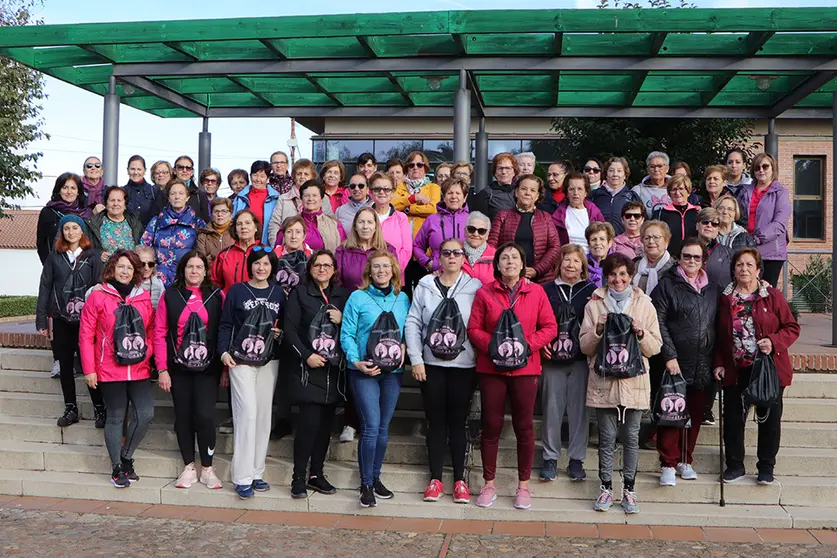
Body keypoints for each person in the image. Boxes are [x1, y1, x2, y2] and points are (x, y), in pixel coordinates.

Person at [468, 243, 557, 510]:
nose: (509, 262)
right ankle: (489, 482)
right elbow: (474, 328)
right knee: (491, 426)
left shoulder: (536, 291)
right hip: (492, 368)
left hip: (525, 368)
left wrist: (527, 345)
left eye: (514, 258)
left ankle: (523, 485)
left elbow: (550, 326)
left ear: (522, 264)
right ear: (496, 264)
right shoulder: (485, 293)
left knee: (524, 427)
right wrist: (493, 345)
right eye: (504, 258)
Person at [579, 253, 662, 514]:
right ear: (606, 276)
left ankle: (629, 489)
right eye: (613, 274)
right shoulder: (594, 304)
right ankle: (605, 488)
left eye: (624, 274)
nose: (618, 279)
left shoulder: (644, 304)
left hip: (635, 380)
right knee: (606, 438)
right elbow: (584, 346)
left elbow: (655, 347)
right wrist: (598, 330)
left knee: (631, 438)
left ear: (631, 275)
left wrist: (640, 333)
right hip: (604, 380)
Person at [714, 248, 800, 485]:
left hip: (768, 368)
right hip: (735, 368)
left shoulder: (771, 296)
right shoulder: (725, 298)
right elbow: (719, 336)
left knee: (769, 419)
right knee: (733, 418)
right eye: (740, 265)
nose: (744, 269)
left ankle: (766, 467)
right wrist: (719, 362)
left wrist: (773, 342)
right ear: (733, 270)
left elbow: (792, 327)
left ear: (758, 270)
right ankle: (734, 465)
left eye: (749, 265)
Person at [406, 239, 482, 504]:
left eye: (456, 253)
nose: (451, 257)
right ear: (439, 256)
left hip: (463, 366)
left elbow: (480, 322)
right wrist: (416, 358)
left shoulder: (474, 287)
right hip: (432, 366)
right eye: (446, 252)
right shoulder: (425, 285)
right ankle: (435, 479)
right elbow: (414, 321)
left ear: (464, 257)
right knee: (435, 422)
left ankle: (460, 480)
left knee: (458, 423)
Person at [79, 250, 156, 488]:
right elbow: (86, 334)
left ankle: (126, 456)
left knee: (145, 413)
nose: (125, 272)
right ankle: (116, 468)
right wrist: (89, 369)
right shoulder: (98, 295)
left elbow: (151, 329)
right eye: (121, 267)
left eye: (130, 268)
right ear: (112, 268)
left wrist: (148, 352)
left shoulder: (142, 297)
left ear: (136, 273)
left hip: (139, 367)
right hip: (109, 368)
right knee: (115, 416)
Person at [341, 250, 410, 508]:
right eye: (376, 267)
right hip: (364, 370)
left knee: (383, 428)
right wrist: (355, 360)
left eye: (386, 266)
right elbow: (346, 333)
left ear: (393, 271)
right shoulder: (357, 297)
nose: (382, 271)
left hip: (393, 372)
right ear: (369, 272)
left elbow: (408, 330)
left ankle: (377, 477)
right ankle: (366, 484)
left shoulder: (402, 299)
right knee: (370, 426)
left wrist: (403, 346)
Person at [218, 246, 286, 499]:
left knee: (263, 416)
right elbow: (225, 324)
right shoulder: (237, 291)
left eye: (266, 264)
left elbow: (284, 324)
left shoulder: (279, 293)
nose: (261, 268)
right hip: (241, 360)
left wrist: (280, 335)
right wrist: (223, 352)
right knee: (247, 414)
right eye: (257, 263)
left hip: (269, 360)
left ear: (272, 267)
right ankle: (242, 476)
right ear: (251, 265)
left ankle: (257, 472)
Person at [651, 238, 718, 487]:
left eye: (696, 257)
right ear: (679, 258)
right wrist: (669, 355)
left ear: (703, 261)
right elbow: (658, 321)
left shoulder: (712, 288)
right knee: (672, 411)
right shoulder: (667, 285)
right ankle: (667, 463)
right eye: (687, 256)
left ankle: (685, 459)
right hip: (675, 362)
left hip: (703, 362)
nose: (691, 261)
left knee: (696, 415)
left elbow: (718, 324)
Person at [154, 252, 224, 490]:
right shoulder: (170, 295)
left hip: (208, 368)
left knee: (205, 416)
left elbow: (223, 330)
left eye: (199, 267)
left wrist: (224, 367)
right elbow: (160, 333)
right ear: (182, 270)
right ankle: (188, 467)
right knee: (183, 417)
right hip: (178, 368)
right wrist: (162, 369)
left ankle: (207, 467)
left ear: (206, 271)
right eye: (190, 267)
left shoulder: (216, 295)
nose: (194, 271)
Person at [284, 250, 349, 499]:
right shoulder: (300, 293)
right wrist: (305, 355)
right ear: (310, 269)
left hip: (333, 372)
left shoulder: (343, 296)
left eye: (327, 265)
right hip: (308, 369)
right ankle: (298, 477)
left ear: (334, 270)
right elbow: (289, 330)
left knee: (324, 428)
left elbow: (355, 328)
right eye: (317, 265)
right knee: (309, 425)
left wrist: (342, 320)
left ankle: (316, 474)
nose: (322, 269)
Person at [36, 214, 105, 427]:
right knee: (65, 365)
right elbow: (45, 286)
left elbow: (99, 285)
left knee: (88, 364)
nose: (71, 232)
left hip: (87, 320)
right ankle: (70, 408)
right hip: (61, 318)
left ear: (82, 231)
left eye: (75, 227)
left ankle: (100, 409)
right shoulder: (54, 257)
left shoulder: (92, 256)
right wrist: (41, 319)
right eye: (67, 228)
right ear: (62, 232)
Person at [539, 244, 596, 482]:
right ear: (559, 264)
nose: (571, 265)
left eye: (576, 261)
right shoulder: (546, 290)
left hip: (580, 359)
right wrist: (541, 343)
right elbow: (537, 319)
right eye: (566, 260)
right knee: (551, 410)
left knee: (578, 412)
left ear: (583, 266)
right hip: (552, 358)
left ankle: (576, 460)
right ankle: (550, 458)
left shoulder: (592, 291)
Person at [488, 175, 560, 285]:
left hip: (541, 280)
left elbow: (554, 247)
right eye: (523, 189)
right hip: (509, 278)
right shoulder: (502, 216)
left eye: (532, 190)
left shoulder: (546, 217)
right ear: (516, 192)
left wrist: (537, 270)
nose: (527, 193)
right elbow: (492, 246)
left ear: (537, 196)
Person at [736, 153, 790, 288]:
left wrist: (757, 239)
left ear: (773, 169)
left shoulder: (781, 193)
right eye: (757, 167)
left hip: (771, 253)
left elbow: (780, 223)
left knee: (766, 293)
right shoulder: (744, 191)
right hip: (747, 248)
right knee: (746, 290)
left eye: (765, 166)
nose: (761, 170)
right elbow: (737, 216)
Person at [141, 180, 206, 287]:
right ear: (168, 197)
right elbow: (144, 247)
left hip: (186, 279)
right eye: (173, 193)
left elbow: (202, 253)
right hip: (158, 280)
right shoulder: (156, 221)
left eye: (181, 194)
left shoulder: (197, 223)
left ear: (187, 197)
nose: (177, 197)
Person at [267, 158, 334, 247]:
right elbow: (274, 225)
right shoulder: (283, 199)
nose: (302, 177)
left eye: (306, 174)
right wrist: (277, 246)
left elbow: (330, 223)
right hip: (288, 249)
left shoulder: (323, 198)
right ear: (294, 176)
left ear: (312, 176)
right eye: (299, 174)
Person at [413, 177, 469, 274]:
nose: (453, 197)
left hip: (466, 276)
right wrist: (428, 263)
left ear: (465, 197)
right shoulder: (432, 220)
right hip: (437, 274)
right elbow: (417, 246)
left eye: (458, 193)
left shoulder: (472, 220)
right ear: (443, 196)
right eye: (450, 193)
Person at [274, 180, 345, 252]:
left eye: (314, 195)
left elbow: (343, 252)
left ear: (321, 199)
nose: (310, 199)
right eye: (306, 196)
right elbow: (278, 252)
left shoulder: (334, 224)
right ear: (301, 199)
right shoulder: (289, 224)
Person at [37, 172, 92, 264]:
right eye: (65, 188)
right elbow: (41, 243)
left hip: (83, 267)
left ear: (78, 191)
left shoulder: (87, 213)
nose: (69, 192)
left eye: (73, 188)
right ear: (58, 190)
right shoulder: (48, 212)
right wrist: (48, 266)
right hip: (56, 267)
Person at [369, 173, 411, 275]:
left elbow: (407, 249)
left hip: (395, 276)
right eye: (377, 189)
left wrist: (392, 271)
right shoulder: (364, 216)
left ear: (392, 193)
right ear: (370, 193)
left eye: (387, 189)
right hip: (368, 275)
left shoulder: (401, 218)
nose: (382, 192)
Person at [86, 186, 143, 262]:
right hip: (104, 270)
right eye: (112, 200)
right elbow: (86, 249)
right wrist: (98, 254)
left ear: (125, 204)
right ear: (106, 203)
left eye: (119, 200)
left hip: (129, 270)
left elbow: (142, 248)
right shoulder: (94, 223)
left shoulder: (135, 223)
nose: (115, 204)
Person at [552, 172, 605, 253]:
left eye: (580, 189)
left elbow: (604, 239)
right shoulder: (558, 215)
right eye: (571, 189)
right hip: (567, 260)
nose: (575, 193)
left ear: (586, 192)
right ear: (566, 193)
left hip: (591, 260)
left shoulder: (595, 212)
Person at [212, 210, 262, 294]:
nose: (243, 227)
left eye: (248, 223)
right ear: (235, 229)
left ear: (256, 227)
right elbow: (215, 284)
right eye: (239, 224)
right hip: (229, 304)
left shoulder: (265, 253)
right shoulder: (224, 254)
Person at [393, 151, 441, 238]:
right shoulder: (398, 187)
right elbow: (392, 206)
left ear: (425, 168)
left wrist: (408, 209)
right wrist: (413, 198)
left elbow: (434, 209)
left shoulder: (434, 187)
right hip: (400, 237)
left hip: (424, 239)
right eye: (411, 165)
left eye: (419, 165)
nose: (415, 168)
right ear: (407, 168)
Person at [651, 174, 700, 259]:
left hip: (692, 259)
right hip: (668, 259)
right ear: (669, 193)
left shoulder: (697, 213)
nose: (677, 193)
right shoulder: (660, 214)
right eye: (674, 189)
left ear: (688, 192)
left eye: (681, 189)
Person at [232, 160, 279, 245]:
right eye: (255, 175)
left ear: (267, 179)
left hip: (266, 246)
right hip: (243, 245)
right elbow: (233, 222)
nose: (258, 179)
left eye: (262, 176)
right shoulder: (240, 198)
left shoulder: (276, 199)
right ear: (250, 176)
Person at [590, 157, 640, 235]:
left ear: (625, 175)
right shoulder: (595, 195)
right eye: (611, 170)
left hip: (625, 243)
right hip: (599, 241)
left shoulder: (632, 197)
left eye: (619, 171)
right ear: (606, 174)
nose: (615, 174)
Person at [152, 156, 210, 222]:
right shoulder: (163, 193)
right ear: (174, 171)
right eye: (180, 168)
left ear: (192, 172)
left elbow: (206, 221)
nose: (184, 170)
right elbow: (155, 219)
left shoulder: (200, 195)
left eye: (188, 168)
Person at [468, 152, 517, 222]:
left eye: (507, 168)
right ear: (495, 172)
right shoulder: (485, 194)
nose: (504, 172)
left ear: (514, 172)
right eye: (500, 168)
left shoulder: (520, 191)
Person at [696, 208, 732, 289]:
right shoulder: (686, 250)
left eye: (714, 224)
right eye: (705, 222)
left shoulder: (728, 253)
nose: (709, 225)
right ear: (697, 226)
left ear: (718, 230)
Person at [197, 197, 235, 269]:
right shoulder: (203, 234)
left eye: (224, 211)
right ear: (211, 214)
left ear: (231, 214)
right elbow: (202, 261)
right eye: (216, 211)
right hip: (210, 274)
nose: (220, 214)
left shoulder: (236, 232)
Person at [122, 155, 159, 227]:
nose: (136, 172)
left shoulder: (154, 191)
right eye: (132, 169)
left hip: (149, 234)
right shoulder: (121, 192)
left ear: (144, 171)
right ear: (127, 170)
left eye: (139, 169)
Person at [632, 151, 672, 218]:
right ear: (647, 169)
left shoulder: (676, 188)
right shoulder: (638, 190)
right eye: (652, 166)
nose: (656, 169)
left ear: (667, 168)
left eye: (660, 166)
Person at [461, 211, 496, 284]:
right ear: (465, 231)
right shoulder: (454, 253)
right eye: (471, 229)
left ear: (487, 235)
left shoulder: (496, 256)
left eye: (481, 231)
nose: (475, 234)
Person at [585, 222, 615, 287]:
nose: (598, 243)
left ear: (609, 243)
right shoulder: (582, 264)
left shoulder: (617, 264)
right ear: (588, 244)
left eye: (602, 239)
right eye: (593, 239)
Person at [135, 246, 165, 310]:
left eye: (150, 264)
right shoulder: (130, 283)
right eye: (142, 264)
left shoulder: (158, 284)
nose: (146, 268)